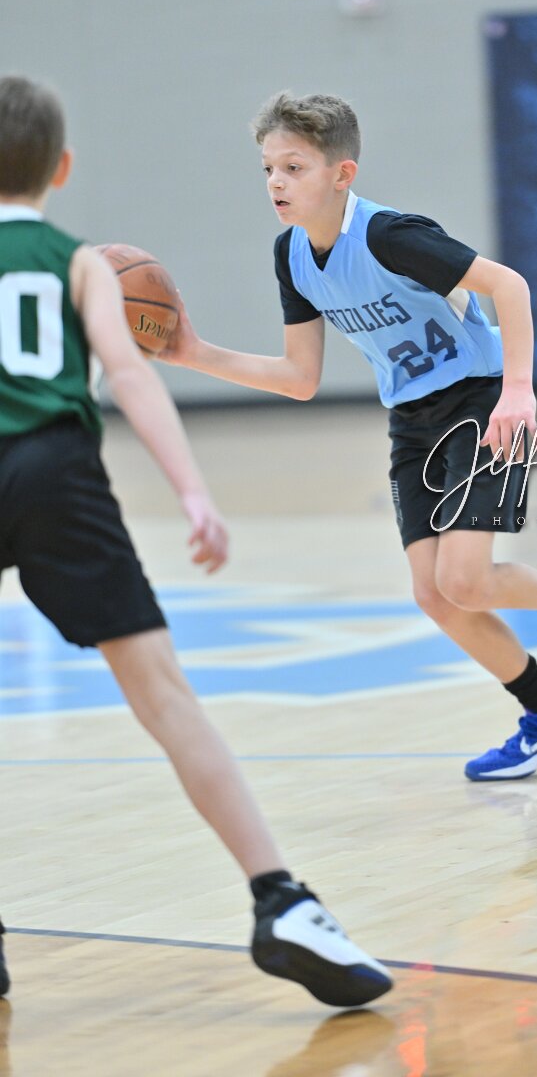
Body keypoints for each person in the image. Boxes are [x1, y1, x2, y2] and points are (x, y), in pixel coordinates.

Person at [0, 75, 392, 1008]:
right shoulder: (79, 263)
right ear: (62, 168)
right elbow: (132, 378)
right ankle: (280, 902)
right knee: (165, 697)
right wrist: (192, 492)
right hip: (56, 472)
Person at [164, 90, 537, 784]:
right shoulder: (291, 256)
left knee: (465, 578)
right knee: (436, 594)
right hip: (412, 422)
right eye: (268, 169)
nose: (276, 183)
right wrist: (192, 353)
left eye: (293, 167)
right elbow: (300, 377)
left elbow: (510, 286)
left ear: (342, 174)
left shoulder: (391, 236)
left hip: (481, 399)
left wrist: (519, 391)